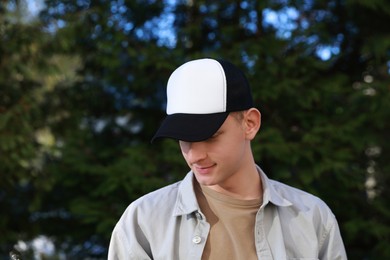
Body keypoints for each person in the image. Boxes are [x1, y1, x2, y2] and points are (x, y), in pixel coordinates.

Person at [108, 58, 347, 259]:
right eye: (184, 139)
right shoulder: (143, 220)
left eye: (211, 137)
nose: (195, 155)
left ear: (250, 124)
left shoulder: (312, 217)